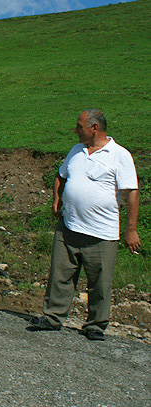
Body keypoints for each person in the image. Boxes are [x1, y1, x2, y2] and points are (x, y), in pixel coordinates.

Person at [29, 109, 141, 340]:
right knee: (60, 275)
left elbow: (131, 193)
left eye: (79, 126)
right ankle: (52, 317)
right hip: (69, 227)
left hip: (101, 232)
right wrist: (57, 198)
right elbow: (61, 176)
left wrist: (131, 230)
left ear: (94, 128)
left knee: (99, 282)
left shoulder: (119, 155)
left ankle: (95, 325)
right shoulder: (76, 150)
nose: (75, 130)